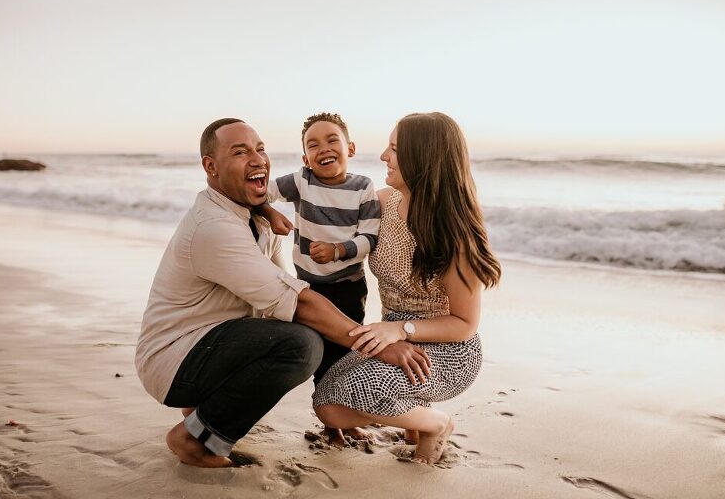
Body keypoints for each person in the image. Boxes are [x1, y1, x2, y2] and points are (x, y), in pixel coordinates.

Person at [134, 118, 430, 468]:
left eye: (261, 149)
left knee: (296, 333)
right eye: (241, 152)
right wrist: (381, 343)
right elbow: (296, 300)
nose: (258, 159)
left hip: (203, 346)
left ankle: (201, 414)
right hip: (173, 362)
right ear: (210, 167)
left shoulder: (256, 219)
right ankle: (196, 440)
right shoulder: (214, 227)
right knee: (301, 345)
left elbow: (282, 288)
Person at [312, 112, 501, 464]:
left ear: (423, 158)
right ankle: (414, 423)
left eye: (395, 148)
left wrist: (400, 329)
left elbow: (464, 324)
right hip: (391, 336)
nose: (384, 155)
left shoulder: (454, 235)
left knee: (337, 408)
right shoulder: (383, 203)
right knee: (324, 399)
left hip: (447, 349)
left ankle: (436, 424)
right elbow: (326, 201)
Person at [261, 112, 381, 444]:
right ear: (305, 158)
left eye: (332, 140)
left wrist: (337, 250)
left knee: (348, 351)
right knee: (322, 356)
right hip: (311, 288)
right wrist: (269, 211)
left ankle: (344, 414)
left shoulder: (363, 187)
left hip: (349, 286)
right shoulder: (301, 181)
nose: (323, 149)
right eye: (313, 145)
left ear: (350, 148)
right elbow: (259, 192)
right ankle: (331, 425)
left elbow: (370, 238)